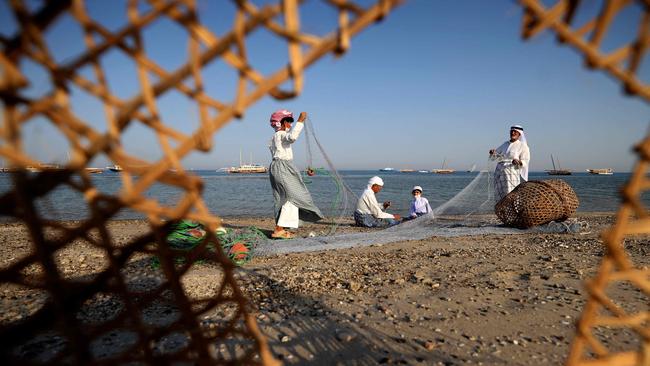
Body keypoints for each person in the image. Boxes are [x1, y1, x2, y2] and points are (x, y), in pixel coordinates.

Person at [268, 109, 324, 239]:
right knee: (292, 196)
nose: (290, 124)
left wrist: (304, 171)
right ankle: (279, 229)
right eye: (289, 121)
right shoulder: (280, 135)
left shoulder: (276, 138)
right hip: (282, 168)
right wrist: (300, 121)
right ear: (280, 123)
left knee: (286, 198)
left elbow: (283, 158)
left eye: (291, 121)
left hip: (282, 167)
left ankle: (282, 228)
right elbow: (292, 138)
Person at [489, 124, 530, 202]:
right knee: (499, 194)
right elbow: (495, 156)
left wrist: (519, 162)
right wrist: (493, 153)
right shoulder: (505, 144)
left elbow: (525, 161)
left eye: (515, 131)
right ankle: (502, 212)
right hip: (499, 173)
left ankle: (514, 213)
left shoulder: (523, 146)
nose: (513, 133)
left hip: (511, 173)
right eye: (511, 131)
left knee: (511, 194)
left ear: (519, 134)